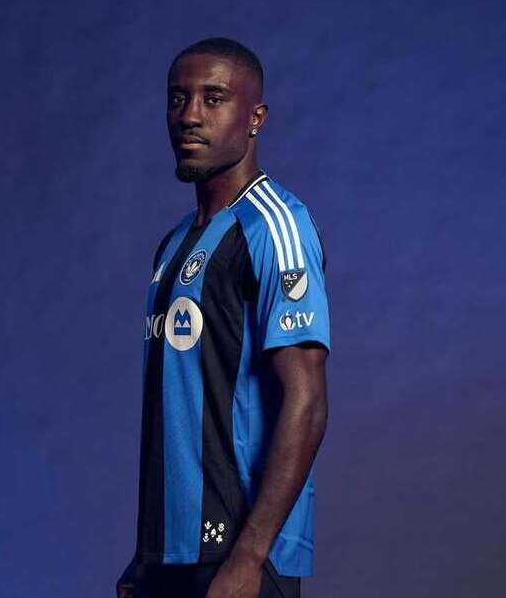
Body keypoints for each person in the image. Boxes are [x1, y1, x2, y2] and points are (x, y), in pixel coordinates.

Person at [117, 37, 331, 598]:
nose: (189, 115)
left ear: (255, 117)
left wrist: (250, 557)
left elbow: (307, 402)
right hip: (171, 555)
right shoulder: (173, 244)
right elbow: (184, 403)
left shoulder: (276, 227)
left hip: (239, 558)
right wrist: (147, 554)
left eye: (213, 99)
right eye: (178, 98)